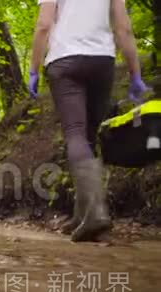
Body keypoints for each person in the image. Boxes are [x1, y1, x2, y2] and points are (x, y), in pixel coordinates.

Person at [29, 0, 149, 242]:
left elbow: (43, 25)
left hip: (64, 61)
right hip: (101, 62)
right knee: (88, 138)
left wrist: (34, 68)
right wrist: (135, 72)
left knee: (75, 133)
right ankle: (82, 214)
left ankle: (95, 213)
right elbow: (123, 27)